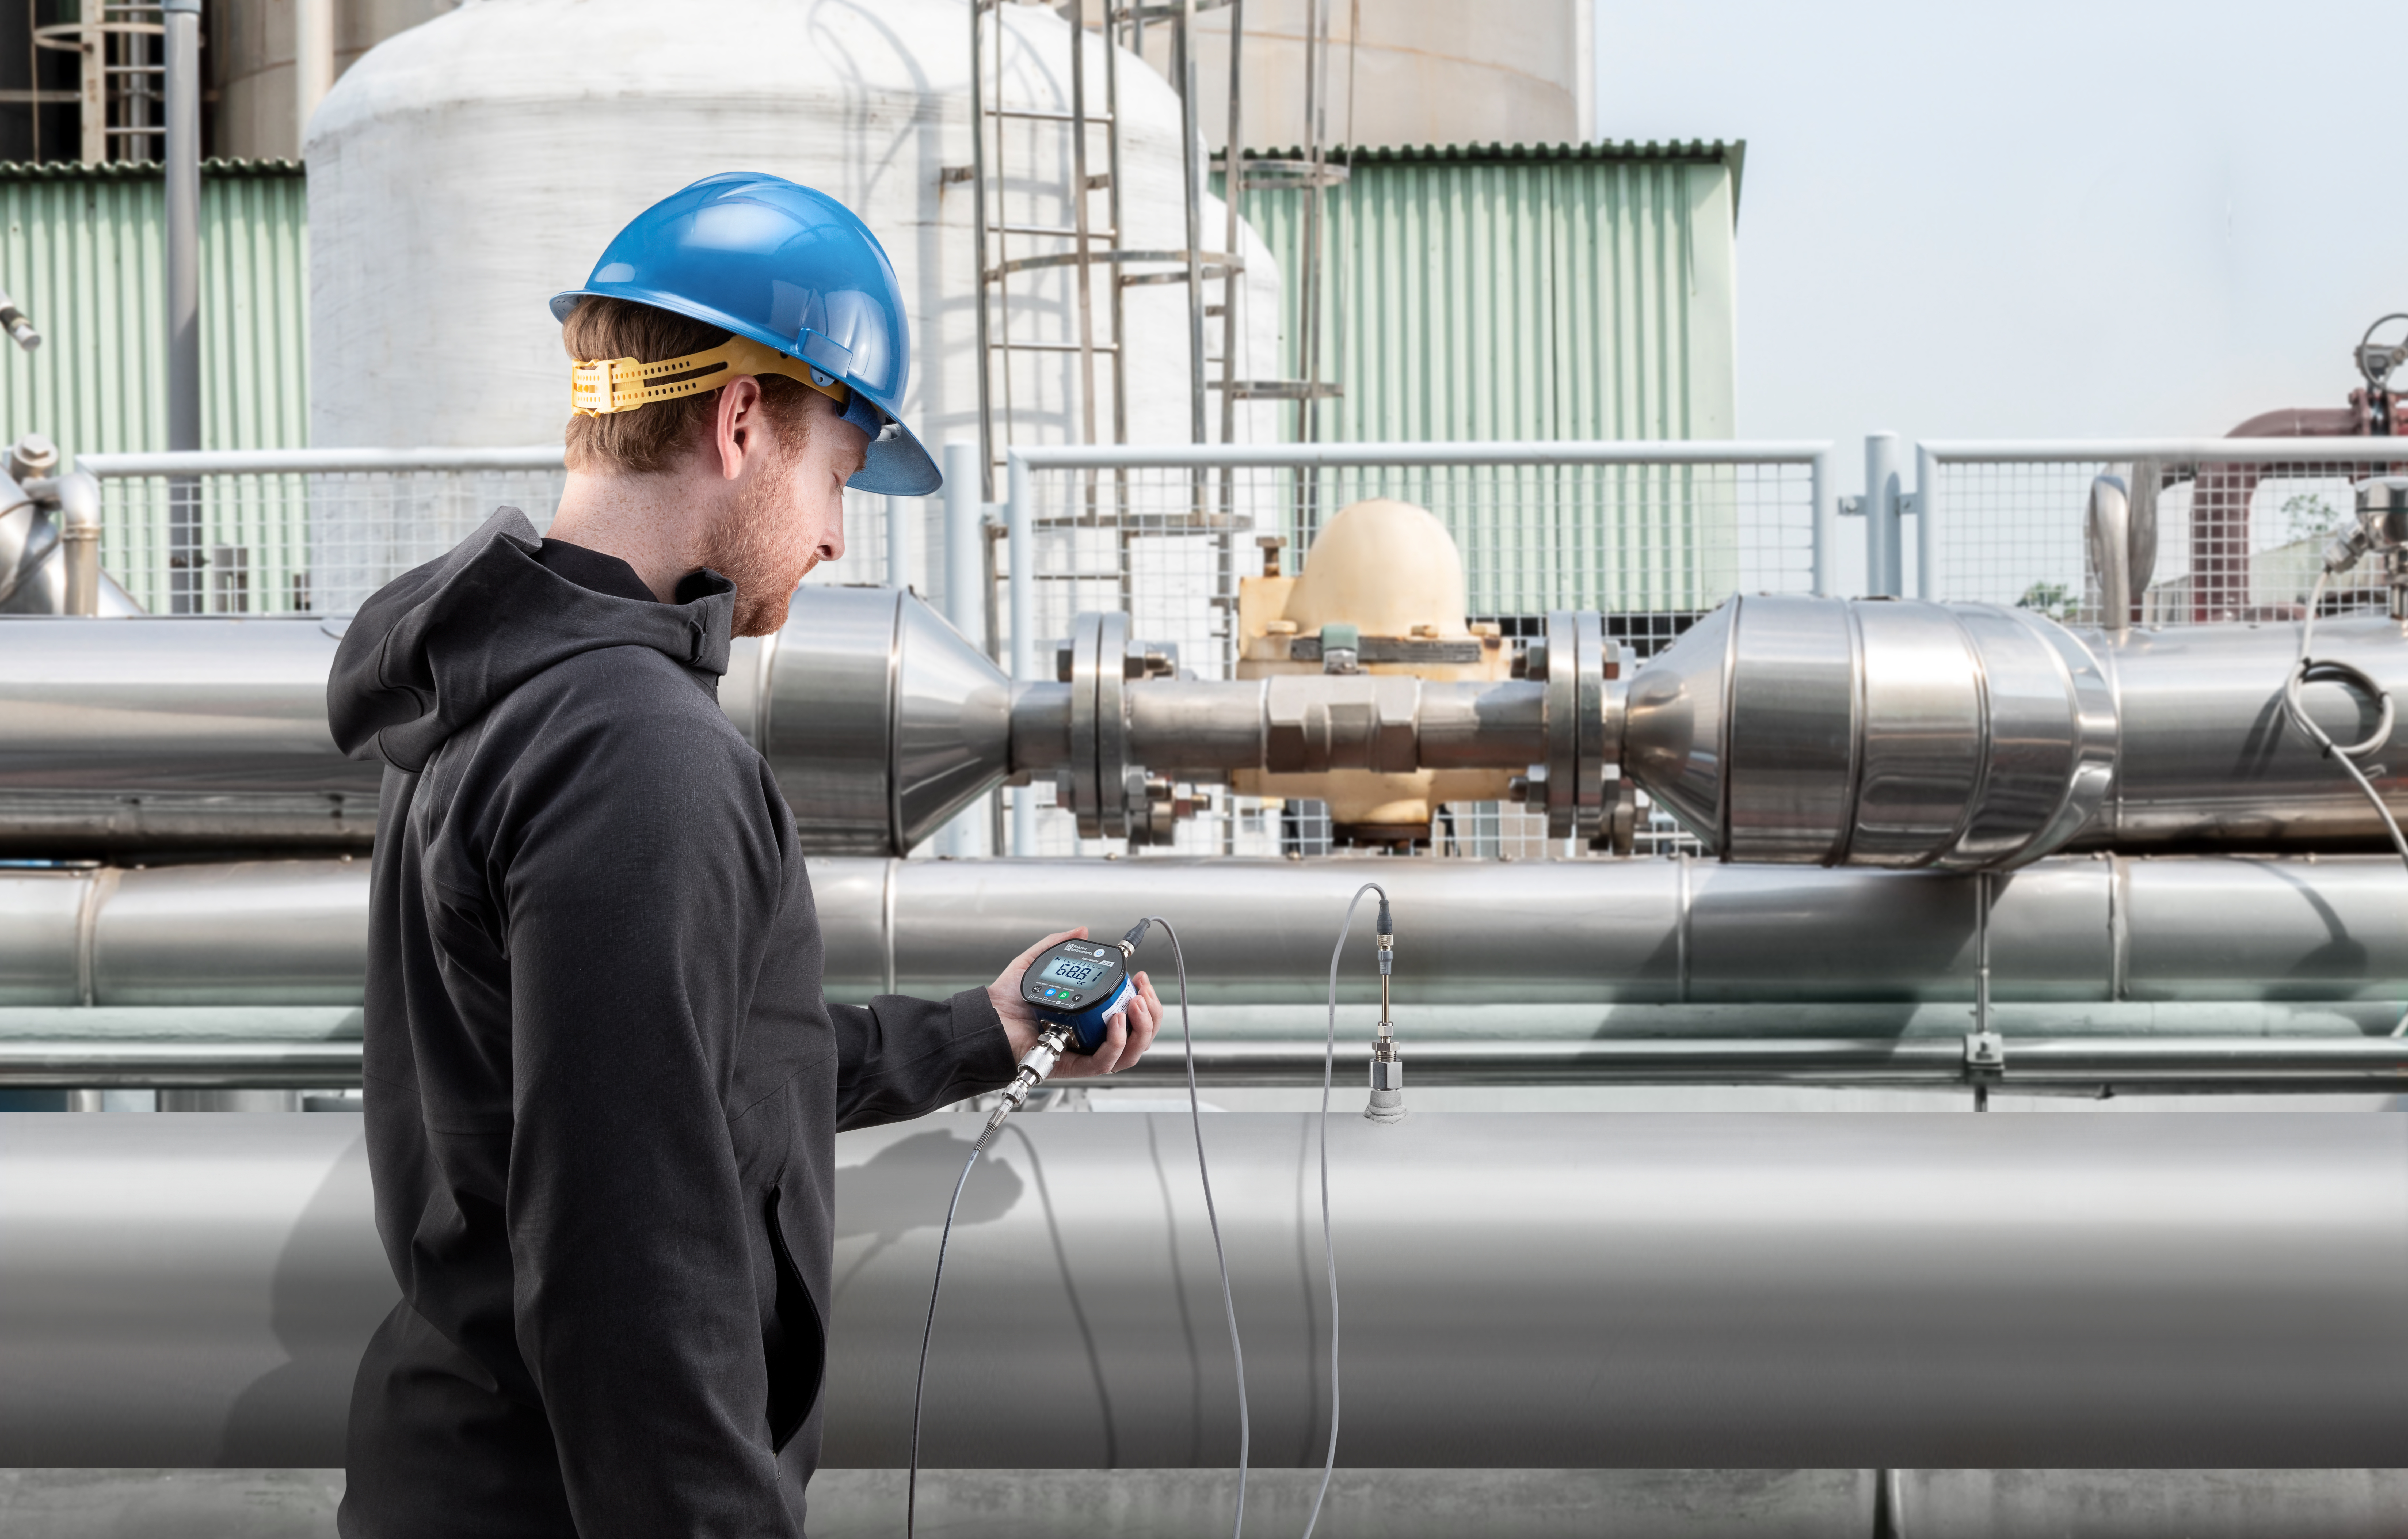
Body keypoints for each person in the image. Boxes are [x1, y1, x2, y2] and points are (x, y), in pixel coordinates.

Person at [326, 172, 1163, 1538]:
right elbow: (630, 1276)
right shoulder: (636, 750)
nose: (837, 534)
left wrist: (977, 1029)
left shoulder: (497, 699)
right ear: (737, 422)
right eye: (838, 471)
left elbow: (673, 1067)